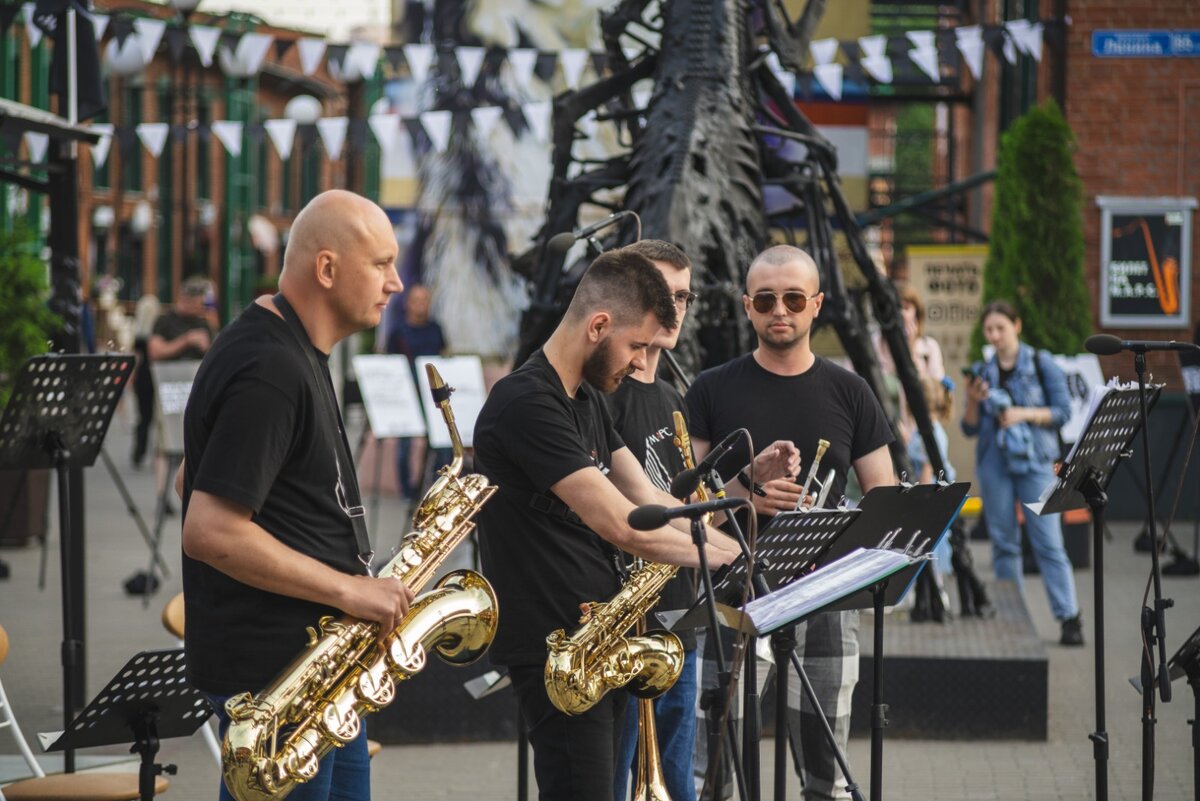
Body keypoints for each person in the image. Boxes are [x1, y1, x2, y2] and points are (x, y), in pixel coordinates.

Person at [474, 248, 756, 801]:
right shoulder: (528, 402)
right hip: (561, 650)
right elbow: (622, 525)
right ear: (599, 326)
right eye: (636, 346)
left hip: (599, 640)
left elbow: (650, 497)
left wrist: (736, 546)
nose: (640, 363)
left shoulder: (586, 399)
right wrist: (733, 560)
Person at [180, 190, 414, 801]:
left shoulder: (289, 346)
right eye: (382, 263)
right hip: (281, 682)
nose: (396, 282)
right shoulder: (270, 367)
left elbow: (193, 477)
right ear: (328, 268)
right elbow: (209, 529)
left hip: (316, 673)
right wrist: (350, 588)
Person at [685, 245, 896, 801]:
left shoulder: (851, 391)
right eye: (766, 298)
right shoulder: (710, 388)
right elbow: (684, 497)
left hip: (826, 592)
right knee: (717, 774)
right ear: (748, 307)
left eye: (795, 298)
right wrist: (746, 491)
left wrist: (835, 521)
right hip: (734, 589)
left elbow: (886, 497)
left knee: (827, 778)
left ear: (817, 304)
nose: (781, 309)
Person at [604, 241, 800, 801]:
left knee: (677, 781)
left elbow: (692, 501)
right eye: (661, 293)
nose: (675, 308)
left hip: (683, 613)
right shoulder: (605, 397)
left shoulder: (672, 396)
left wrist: (747, 484)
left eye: (683, 296)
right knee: (617, 781)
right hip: (629, 624)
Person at [961, 299, 1083, 646]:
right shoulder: (983, 371)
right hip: (994, 462)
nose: (994, 335)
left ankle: (1069, 617)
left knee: (1048, 543)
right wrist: (972, 399)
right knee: (1003, 544)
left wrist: (1022, 413)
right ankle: (1012, 620)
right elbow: (969, 428)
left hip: (1035, 461)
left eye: (1000, 328)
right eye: (989, 330)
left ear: (1016, 326)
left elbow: (1061, 412)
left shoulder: (1042, 363)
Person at [385, 284, 450, 498]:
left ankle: (436, 485)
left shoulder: (436, 328)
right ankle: (407, 489)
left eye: (425, 300)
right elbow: (390, 362)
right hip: (409, 394)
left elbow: (444, 354)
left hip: (433, 394)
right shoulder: (398, 331)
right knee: (406, 444)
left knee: (440, 442)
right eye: (417, 300)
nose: (422, 304)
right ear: (408, 303)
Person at [149, 275, 216, 363]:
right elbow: (155, 353)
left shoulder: (203, 323)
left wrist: (208, 348)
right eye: (200, 303)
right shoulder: (164, 320)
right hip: (169, 371)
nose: (202, 308)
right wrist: (187, 340)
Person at [131, 294, 161, 468]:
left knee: (143, 416)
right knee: (157, 417)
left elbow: (136, 358)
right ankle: (157, 452)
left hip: (142, 377)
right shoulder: (156, 331)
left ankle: (139, 449)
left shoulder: (139, 334)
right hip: (156, 375)